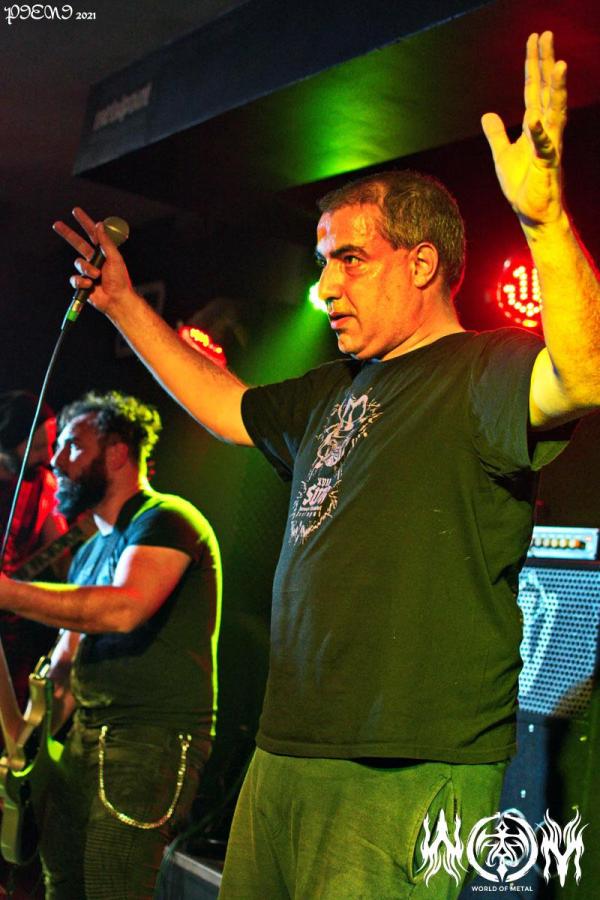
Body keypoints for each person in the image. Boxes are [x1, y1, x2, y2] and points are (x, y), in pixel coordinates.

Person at [52, 31, 599, 899]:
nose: (327, 287)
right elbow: (225, 405)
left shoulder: (481, 369)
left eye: (350, 259)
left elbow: (585, 372)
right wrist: (120, 302)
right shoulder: (331, 388)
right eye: (321, 264)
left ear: (422, 264)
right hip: (284, 752)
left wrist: (543, 220)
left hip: (405, 765)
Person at [0, 390, 222, 899]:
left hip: (147, 740)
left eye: (73, 446)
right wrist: (25, 748)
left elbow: (124, 608)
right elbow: (64, 667)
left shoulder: (167, 518)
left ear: (118, 453)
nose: (56, 461)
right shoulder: (88, 551)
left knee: (112, 887)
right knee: (63, 887)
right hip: (84, 740)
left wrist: (9, 593)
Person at [0, 391, 68, 709]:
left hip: (13, 630)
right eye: (39, 446)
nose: (48, 456)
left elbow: (60, 553)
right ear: (10, 440)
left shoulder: (44, 484)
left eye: (51, 445)